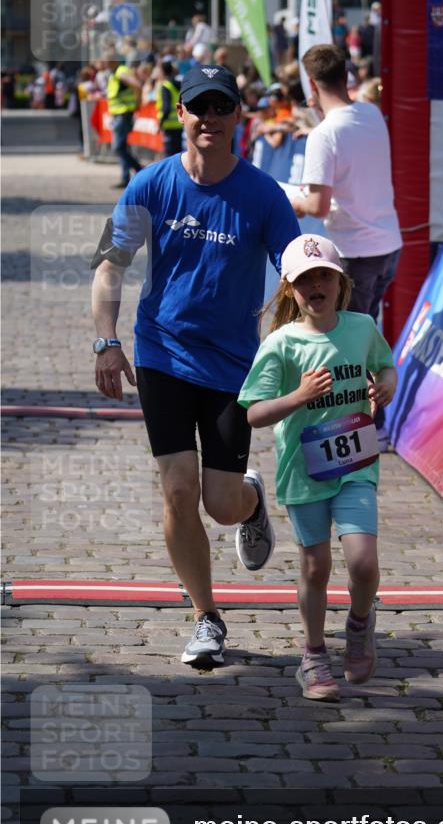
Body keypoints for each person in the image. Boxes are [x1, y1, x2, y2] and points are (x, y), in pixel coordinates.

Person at [91, 64, 300, 667]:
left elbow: (296, 272)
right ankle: (206, 616)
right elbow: (109, 265)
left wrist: (308, 344)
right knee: (179, 490)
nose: (209, 118)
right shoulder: (150, 185)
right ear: (180, 113)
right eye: (199, 106)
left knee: (220, 504)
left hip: (233, 366)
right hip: (161, 353)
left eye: (221, 106)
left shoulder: (263, 195)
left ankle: (250, 502)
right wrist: (107, 342)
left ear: (238, 115)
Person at [238, 233, 397, 701]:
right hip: (303, 470)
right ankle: (312, 655)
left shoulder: (362, 327)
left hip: (355, 465)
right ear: (289, 288)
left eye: (324, 276)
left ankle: (359, 625)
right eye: (305, 280)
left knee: (363, 562)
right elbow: (255, 413)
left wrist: (385, 385)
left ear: (341, 282)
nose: (316, 286)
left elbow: (385, 365)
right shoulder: (281, 344)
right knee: (316, 567)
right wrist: (299, 396)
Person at [292, 44, 402, 326]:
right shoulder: (372, 113)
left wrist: (295, 203)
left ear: (312, 85)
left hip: (355, 252)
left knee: (348, 339)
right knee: (365, 332)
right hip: (387, 245)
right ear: (345, 76)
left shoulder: (323, 135)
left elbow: (317, 206)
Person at [106, 50, 144, 189]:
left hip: (123, 115)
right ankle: (125, 177)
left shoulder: (120, 72)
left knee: (118, 147)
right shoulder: (115, 73)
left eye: (107, 61)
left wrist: (137, 103)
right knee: (123, 147)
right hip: (120, 115)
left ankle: (140, 170)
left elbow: (137, 85)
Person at [155, 59, 182, 156]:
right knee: (178, 154)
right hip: (179, 124)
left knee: (169, 155)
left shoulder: (166, 86)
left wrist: (160, 124)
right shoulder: (179, 84)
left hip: (169, 125)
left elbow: (166, 108)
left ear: (162, 72)